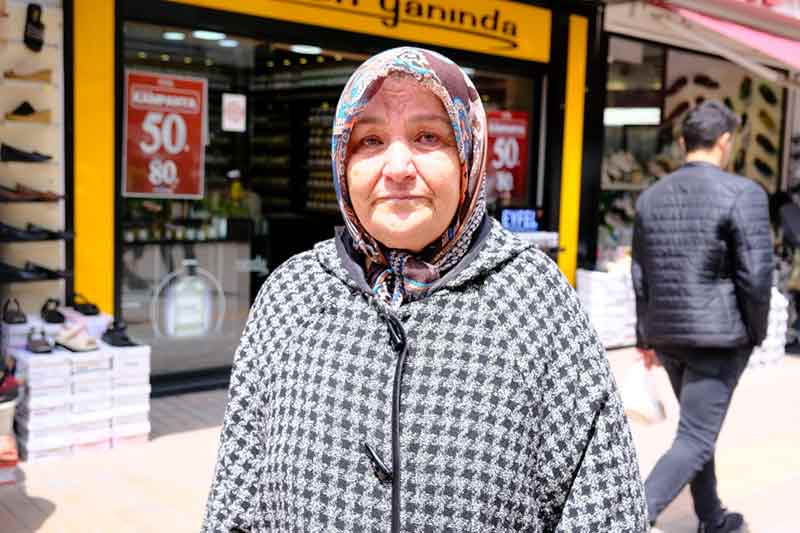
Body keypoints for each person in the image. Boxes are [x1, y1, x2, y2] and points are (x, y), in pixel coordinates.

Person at [203, 47, 647, 533]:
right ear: (342, 161)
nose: (397, 167)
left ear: (468, 155)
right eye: (370, 140)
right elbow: (236, 504)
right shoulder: (292, 297)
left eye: (428, 137)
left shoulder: (533, 299)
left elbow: (606, 512)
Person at [632, 100, 773, 533]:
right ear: (725, 141)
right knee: (695, 436)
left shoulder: (651, 197)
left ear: (682, 142)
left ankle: (712, 518)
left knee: (696, 430)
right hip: (718, 337)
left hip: (668, 335)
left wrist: (645, 336)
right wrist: (757, 331)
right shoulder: (744, 193)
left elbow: (640, 274)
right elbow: (756, 275)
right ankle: (625, 518)